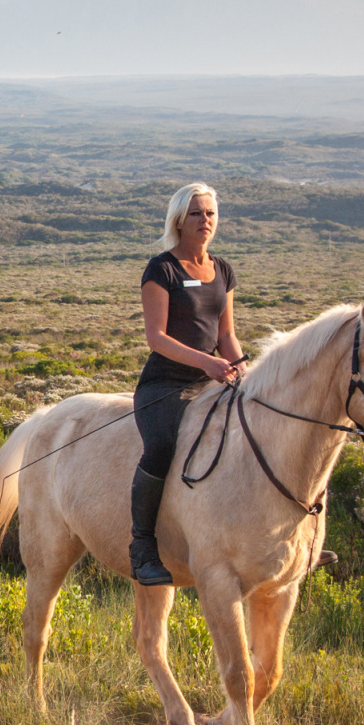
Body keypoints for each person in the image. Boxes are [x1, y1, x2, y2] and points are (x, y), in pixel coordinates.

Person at [131, 183, 245, 586]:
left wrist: (242, 369)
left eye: (211, 213)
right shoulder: (161, 269)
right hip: (165, 385)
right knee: (161, 447)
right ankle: (142, 546)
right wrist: (208, 363)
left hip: (214, 379)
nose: (205, 221)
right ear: (179, 220)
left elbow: (226, 334)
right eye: (196, 213)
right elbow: (157, 338)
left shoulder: (223, 270)